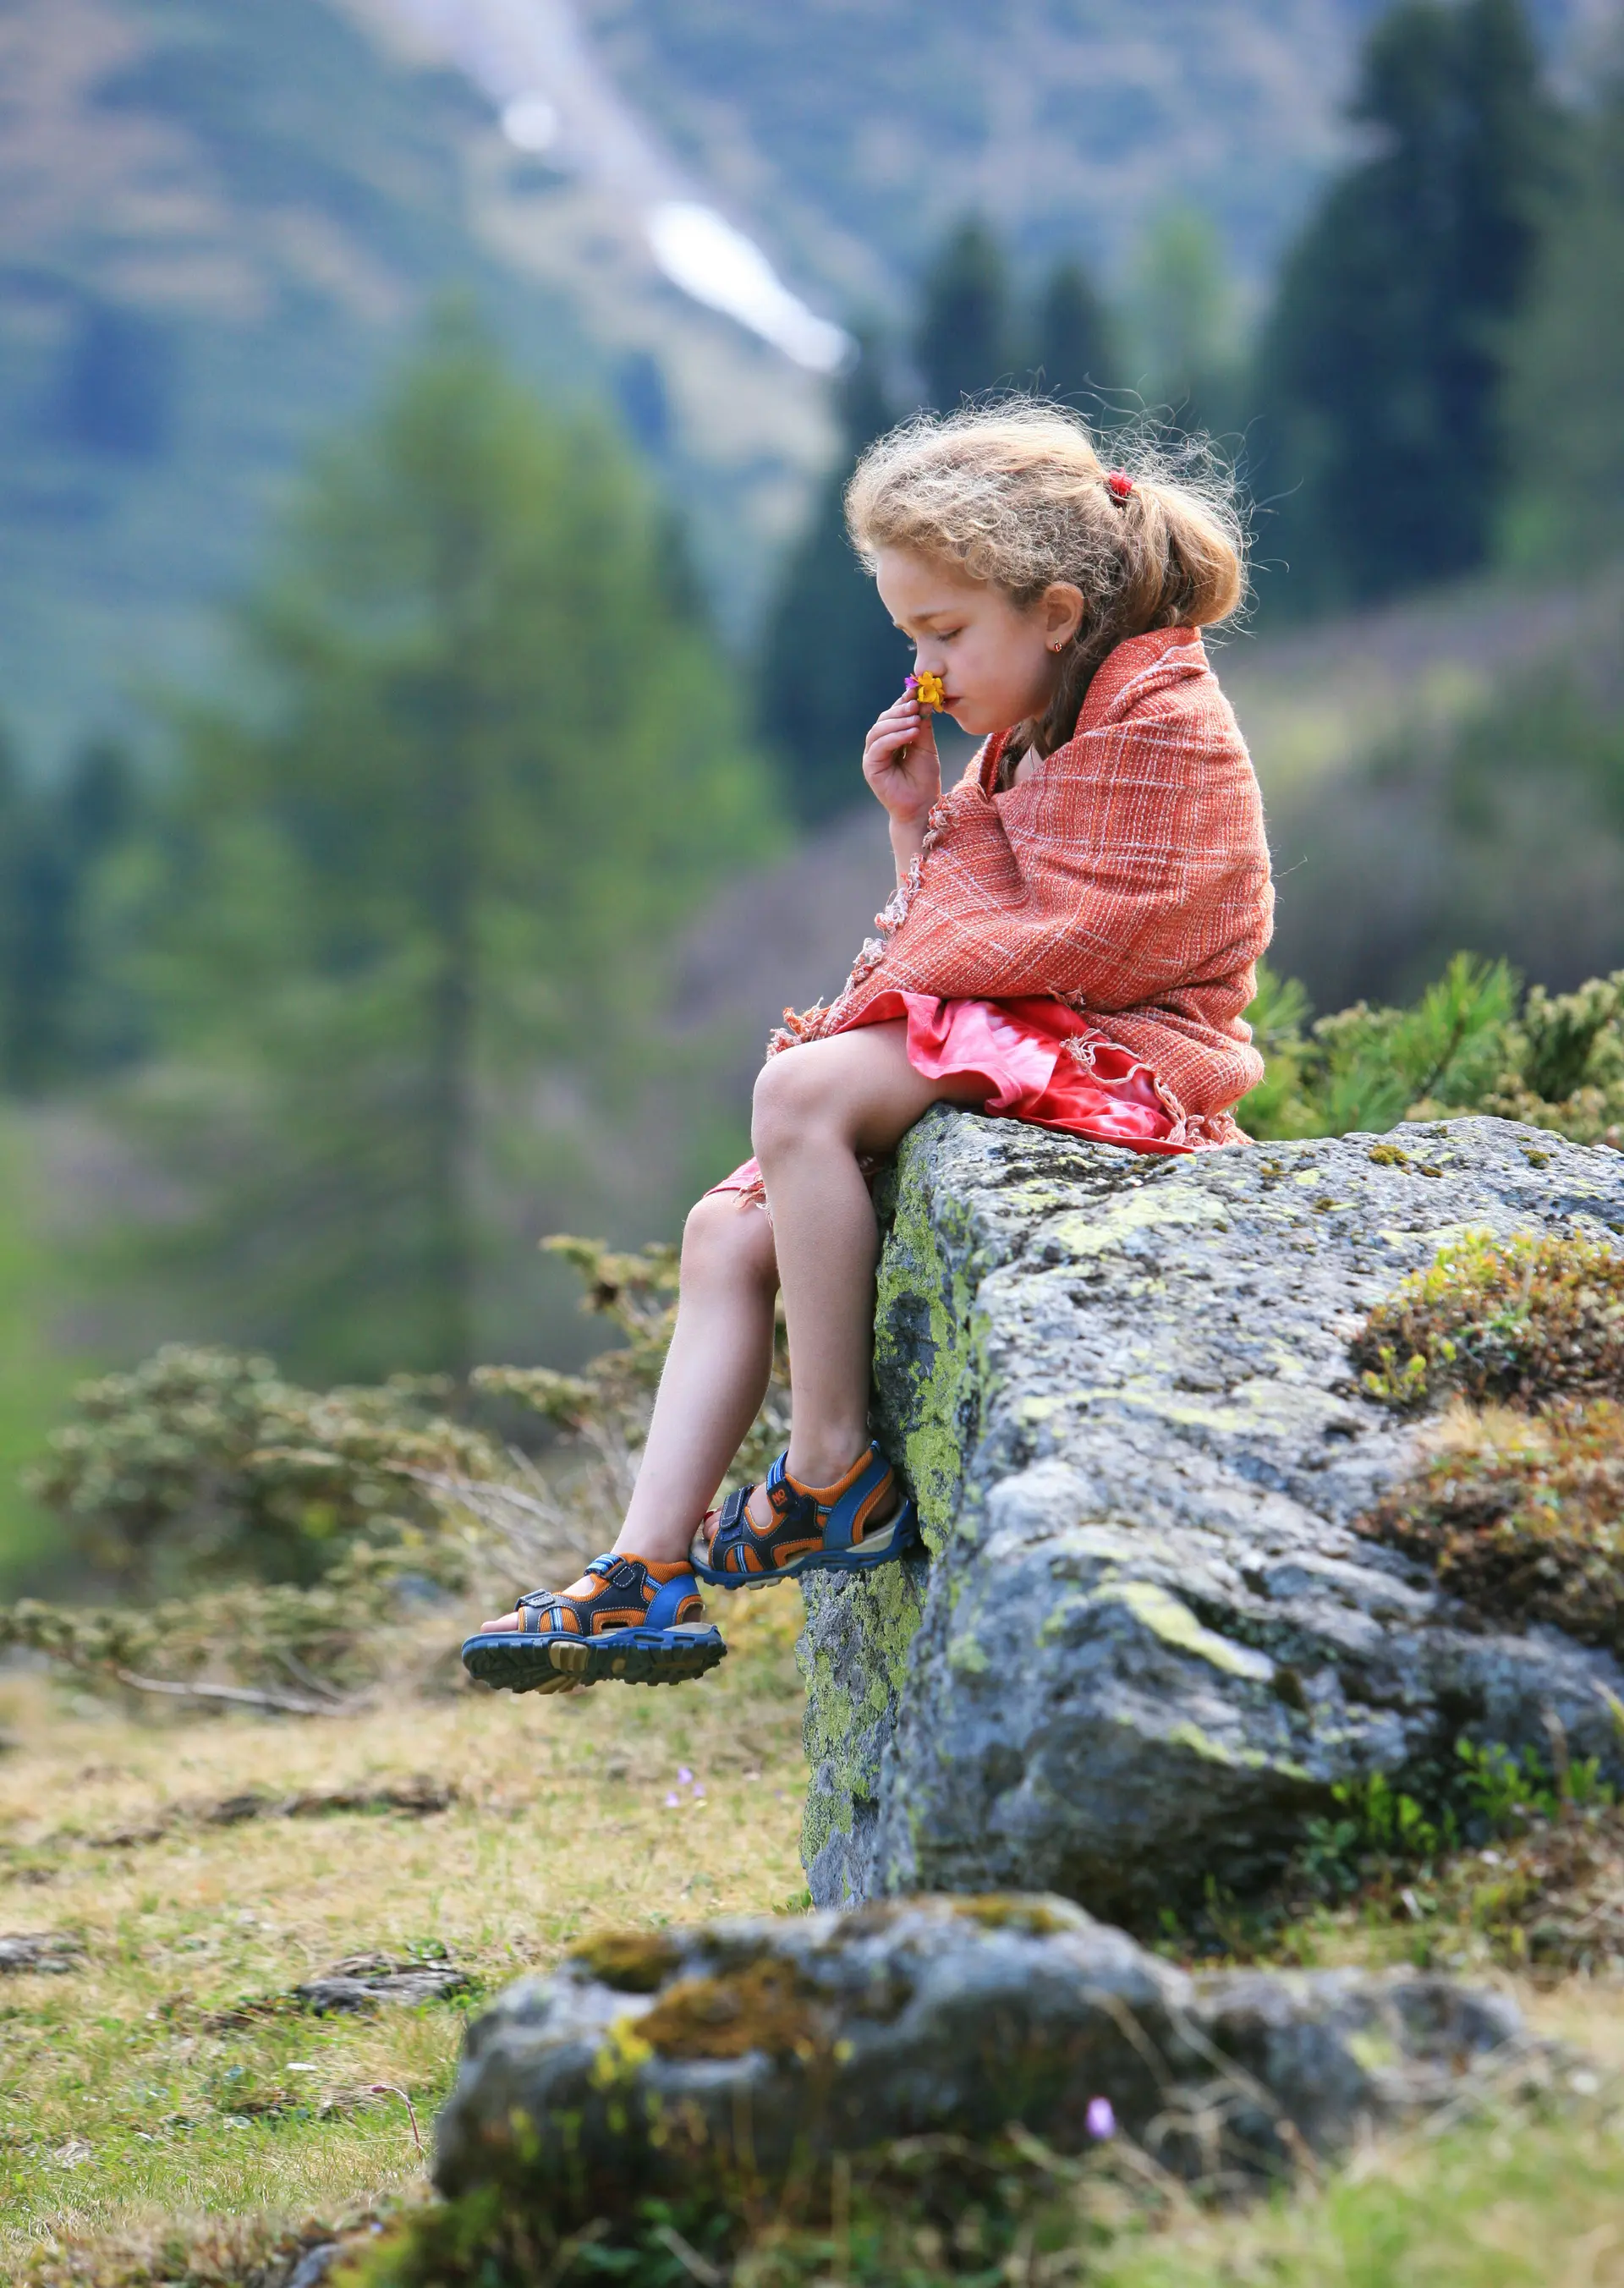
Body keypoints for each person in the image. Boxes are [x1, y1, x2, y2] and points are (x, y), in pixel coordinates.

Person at [462, 402, 1274, 1696]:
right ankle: (644, 1572)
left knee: (800, 1093)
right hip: (1045, 1023)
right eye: (910, 640)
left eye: (944, 633)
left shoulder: (1161, 718)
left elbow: (1100, 940)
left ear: (1056, 613)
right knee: (721, 1234)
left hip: (1131, 1045)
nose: (925, 674)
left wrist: (940, 857)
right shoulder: (1027, 733)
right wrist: (918, 821)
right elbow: (993, 935)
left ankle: (831, 1462)